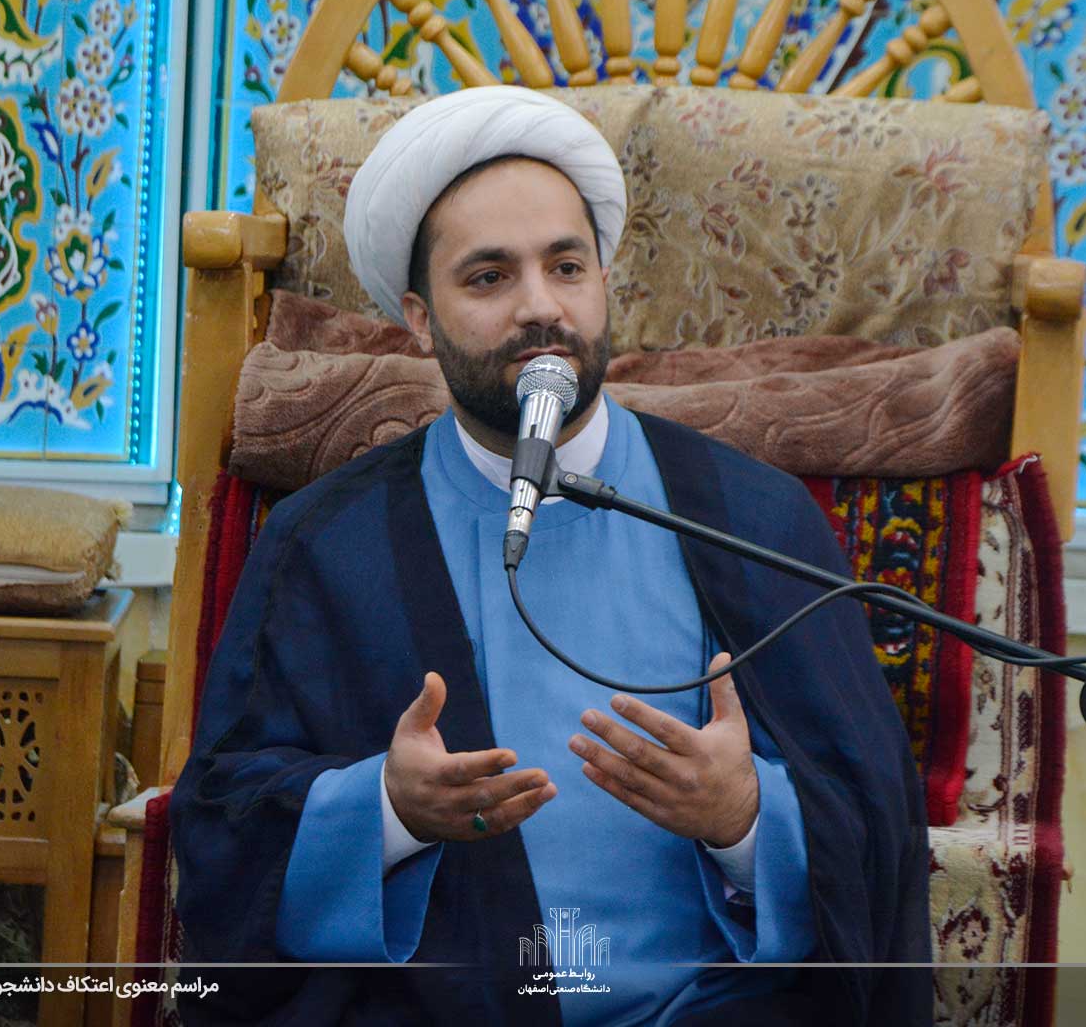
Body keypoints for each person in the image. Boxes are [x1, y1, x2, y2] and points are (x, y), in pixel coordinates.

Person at [170, 86, 931, 1025]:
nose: (540, 307)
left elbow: (876, 825)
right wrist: (389, 809)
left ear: (604, 282)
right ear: (420, 319)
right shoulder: (328, 544)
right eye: (489, 278)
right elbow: (222, 829)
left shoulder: (753, 519)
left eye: (566, 267)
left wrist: (744, 818)